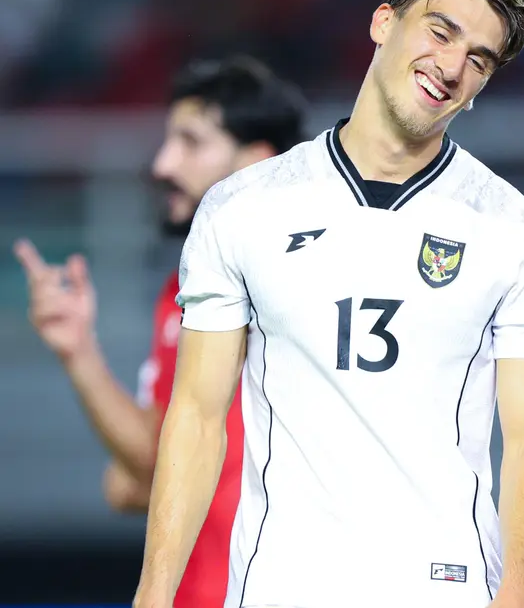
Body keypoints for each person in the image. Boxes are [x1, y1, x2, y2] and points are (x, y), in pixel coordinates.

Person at [133, 0, 524, 608]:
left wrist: (518, 597)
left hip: (441, 589)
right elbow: (195, 417)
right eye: (440, 31)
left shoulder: (515, 235)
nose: (451, 65)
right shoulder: (242, 207)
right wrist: (154, 594)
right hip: (281, 585)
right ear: (383, 21)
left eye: (478, 59)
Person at [14, 55, 307, 608]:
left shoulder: (311, 285)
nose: (163, 163)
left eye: (191, 143)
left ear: (256, 161)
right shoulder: (186, 287)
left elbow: (133, 482)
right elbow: (150, 465)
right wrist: (79, 351)